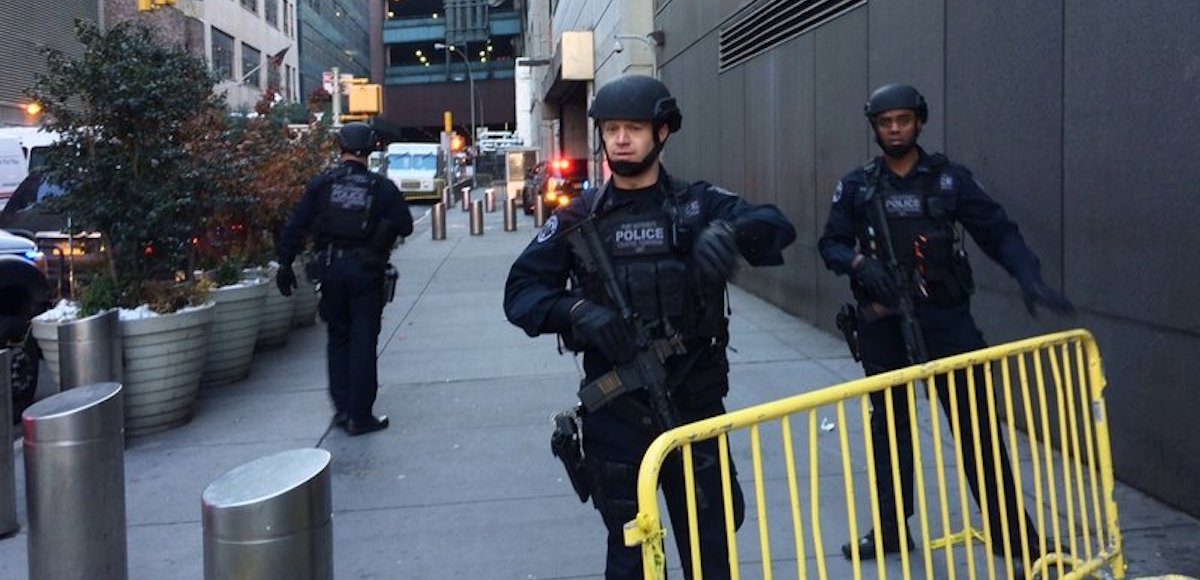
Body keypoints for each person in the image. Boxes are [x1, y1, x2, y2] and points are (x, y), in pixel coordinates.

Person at [504, 74, 796, 579]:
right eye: (612, 128)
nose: (621, 139)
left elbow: (777, 226)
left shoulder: (698, 204)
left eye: (634, 128)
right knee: (630, 555)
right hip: (615, 411)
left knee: (710, 551)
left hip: (694, 405)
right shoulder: (578, 218)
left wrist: (728, 234)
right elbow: (521, 292)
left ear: (662, 133)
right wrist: (579, 313)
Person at [818, 84, 1074, 564]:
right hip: (883, 320)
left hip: (945, 319)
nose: (894, 128)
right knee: (888, 431)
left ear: (920, 122)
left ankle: (1015, 535)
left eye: (903, 120)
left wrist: (1028, 275)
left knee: (977, 427)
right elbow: (829, 243)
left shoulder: (949, 181)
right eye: (885, 121)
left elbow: (998, 231)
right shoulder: (857, 186)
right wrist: (857, 264)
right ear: (874, 127)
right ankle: (892, 529)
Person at [276, 122, 413, 436]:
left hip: (331, 270)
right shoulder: (382, 188)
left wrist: (285, 263)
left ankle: (342, 409)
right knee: (364, 340)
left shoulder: (322, 184)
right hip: (366, 272)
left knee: (338, 338)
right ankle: (361, 416)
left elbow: (297, 226)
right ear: (371, 148)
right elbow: (405, 226)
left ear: (341, 147)